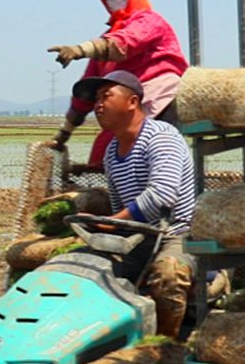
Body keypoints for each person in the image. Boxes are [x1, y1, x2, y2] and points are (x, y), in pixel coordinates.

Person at [72, 70, 196, 338]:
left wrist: (113, 220)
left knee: (168, 274)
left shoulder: (161, 137)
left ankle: (163, 346)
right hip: (139, 237)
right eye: (95, 100)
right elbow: (121, 207)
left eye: (106, 96)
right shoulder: (112, 153)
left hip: (177, 234)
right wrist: (106, 227)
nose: (98, 106)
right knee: (82, 268)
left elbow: (162, 195)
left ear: (132, 102)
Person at [48, 0, 189, 166]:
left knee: (144, 151)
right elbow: (86, 91)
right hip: (121, 105)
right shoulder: (104, 42)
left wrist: (80, 49)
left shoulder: (150, 21)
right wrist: (65, 132)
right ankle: (105, 191)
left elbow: (126, 41)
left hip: (158, 98)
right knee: (103, 150)